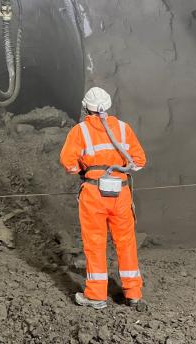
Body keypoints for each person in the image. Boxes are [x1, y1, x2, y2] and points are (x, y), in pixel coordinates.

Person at [60, 86, 147, 310]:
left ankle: (96, 296)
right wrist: (121, 167)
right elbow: (139, 162)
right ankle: (134, 294)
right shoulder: (123, 129)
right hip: (121, 192)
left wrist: (83, 169)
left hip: (94, 193)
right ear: (107, 106)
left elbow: (68, 163)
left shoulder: (80, 131)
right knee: (126, 243)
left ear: (85, 108)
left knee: (95, 243)